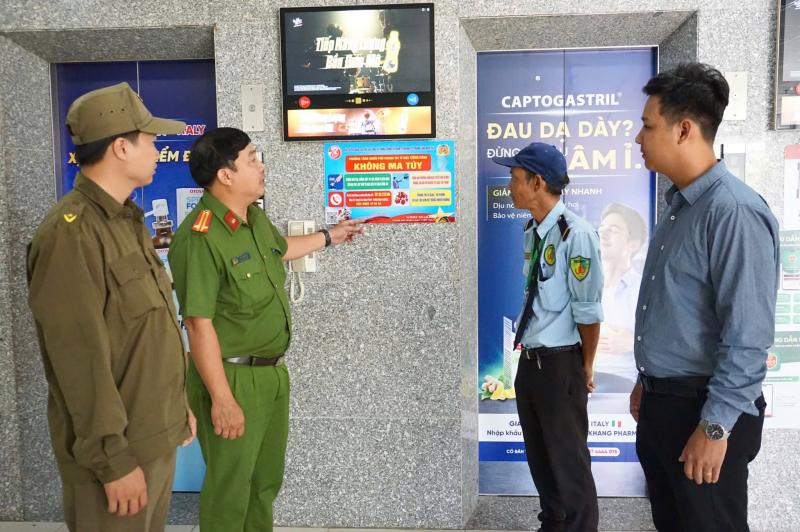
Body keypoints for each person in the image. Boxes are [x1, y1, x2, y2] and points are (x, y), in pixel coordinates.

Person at [168, 127, 365, 532]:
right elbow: (198, 324)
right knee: (231, 489)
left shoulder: (253, 217)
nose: (262, 166)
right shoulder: (200, 237)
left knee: (263, 485)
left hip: (272, 374)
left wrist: (332, 235)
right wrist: (222, 399)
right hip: (232, 379)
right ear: (225, 175)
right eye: (253, 159)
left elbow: (282, 250)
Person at [26, 82, 196, 532]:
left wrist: (177, 409)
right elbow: (77, 359)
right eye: (152, 139)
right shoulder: (71, 233)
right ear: (121, 147)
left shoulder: (128, 222)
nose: (159, 149)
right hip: (117, 457)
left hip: (153, 435)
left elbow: (146, 333)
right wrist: (113, 461)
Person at [630, 63, 779, 532]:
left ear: (685, 129)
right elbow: (678, 311)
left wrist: (715, 429)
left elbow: (748, 337)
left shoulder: (733, 211)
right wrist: (649, 378)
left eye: (648, 125)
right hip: (666, 407)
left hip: (705, 414)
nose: (638, 138)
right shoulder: (680, 208)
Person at [493, 142, 604, 532]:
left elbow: (588, 313)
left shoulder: (577, 234)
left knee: (569, 464)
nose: (509, 184)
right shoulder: (533, 232)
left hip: (561, 364)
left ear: (537, 182)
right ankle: (552, 525)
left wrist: (585, 365)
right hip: (532, 363)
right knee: (541, 461)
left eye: (515, 177)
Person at [593, 203, 647, 392]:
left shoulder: (645, 289)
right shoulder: (580, 286)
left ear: (634, 244)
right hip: (576, 379)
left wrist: (634, 343)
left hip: (622, 384)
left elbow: (671, 342)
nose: (603, 234)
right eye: (601, 229)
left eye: (613, 230)